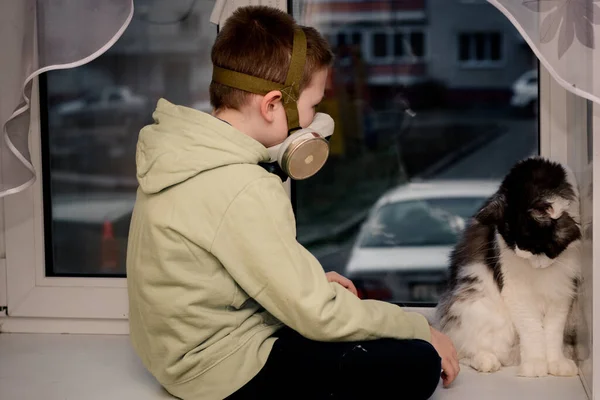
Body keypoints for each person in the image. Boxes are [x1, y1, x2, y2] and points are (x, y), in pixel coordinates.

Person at [126, 5, 459, 400]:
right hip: (216, 368)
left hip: (173, 355)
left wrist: (307, 282)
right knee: (416, 361)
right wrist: (418, 327)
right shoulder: (243, 185)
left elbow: (227, 264)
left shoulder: (185, 153)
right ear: (271, 106)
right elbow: (316, 315)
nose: (317, 119)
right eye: (313, 106)